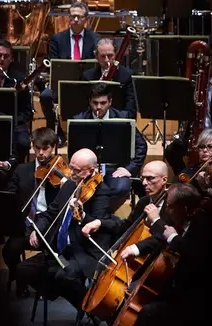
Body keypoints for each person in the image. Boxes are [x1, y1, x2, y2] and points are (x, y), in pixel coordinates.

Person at [85, 182, 212, 326]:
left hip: (196, 296)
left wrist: (159, 223)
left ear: (185, 208)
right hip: (177, 287)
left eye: (169, 206)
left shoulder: (204, 226)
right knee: (138, 297)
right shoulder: (181, 219)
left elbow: (190, 252)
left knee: (149, 312)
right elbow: (160, 240)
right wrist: (136, 252)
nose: (166, 210)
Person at [24, 148, 115, 319]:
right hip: (61, 248)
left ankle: (91, 308)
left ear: (91, 170)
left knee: (63, 276)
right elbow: (51, 213)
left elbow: (99, 224)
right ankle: (82, 302)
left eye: (77, 170)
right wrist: (38, 230)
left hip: (84, 250)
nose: (70, 173)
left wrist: (82, 215)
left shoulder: (101, 191)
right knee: (24, 270)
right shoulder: (69, 185)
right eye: (71, 167)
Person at [2, 127, 65, 297]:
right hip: (27, 221)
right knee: (9, 250)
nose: (41, 153)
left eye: (45, 149)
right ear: (32, 146)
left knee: (52, 254)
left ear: (53, 147)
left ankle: (42, 285)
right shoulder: (22, 170)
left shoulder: (61, 172)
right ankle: (21, 280)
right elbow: (10, 194)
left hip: (50, 225)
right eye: (37, 148)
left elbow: (61, 205)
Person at [73, 82, 147, 212]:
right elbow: (73, 150)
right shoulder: (79, 119)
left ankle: (98, 216)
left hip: (115, 167)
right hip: (89, 169)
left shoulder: (123, 118)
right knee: (83, 189)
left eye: (103, 103)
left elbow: (141, 145)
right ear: (89, 101)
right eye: (95, 103)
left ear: (110, 101)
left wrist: (130, 168)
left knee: (121, 188)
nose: (98, 107)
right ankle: (100, 217)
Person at [80, 160, 170, 261]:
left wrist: (156, 220)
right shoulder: (143, 202)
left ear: (164, 180)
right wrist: (100, 222)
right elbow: (125, 227)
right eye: (143, 178)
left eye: (150, 178)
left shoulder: (172, 205)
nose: (144, 183)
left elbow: (167, 236)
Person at [39, 2, 101, 142]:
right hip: (62, 83)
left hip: (87, 84)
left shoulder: (95, 38)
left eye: (79, 16)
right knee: (45, 96)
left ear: (86, 18)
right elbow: (53, 64)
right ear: (69, 18)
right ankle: (56, 131)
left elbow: (97, 65)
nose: (76, 20)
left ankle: (91, 133)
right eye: (73, 16)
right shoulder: (57, 39)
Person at [164, 57, 212, 174]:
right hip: (195, 132)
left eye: (206, 63)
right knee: (171, 151)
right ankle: (185, 177)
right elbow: (184, 111)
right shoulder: (192, 82)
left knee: (210, 149)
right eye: (199, 63)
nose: (202, 67)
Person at [82, 38, 136, 118]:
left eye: (110, 56)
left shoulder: (126, 76)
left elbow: (130, 109)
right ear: (96, 56)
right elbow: (83, 108)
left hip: (119, 121)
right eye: (102, 56)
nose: (107, 60)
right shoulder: (88, 76)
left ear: (116, 55)